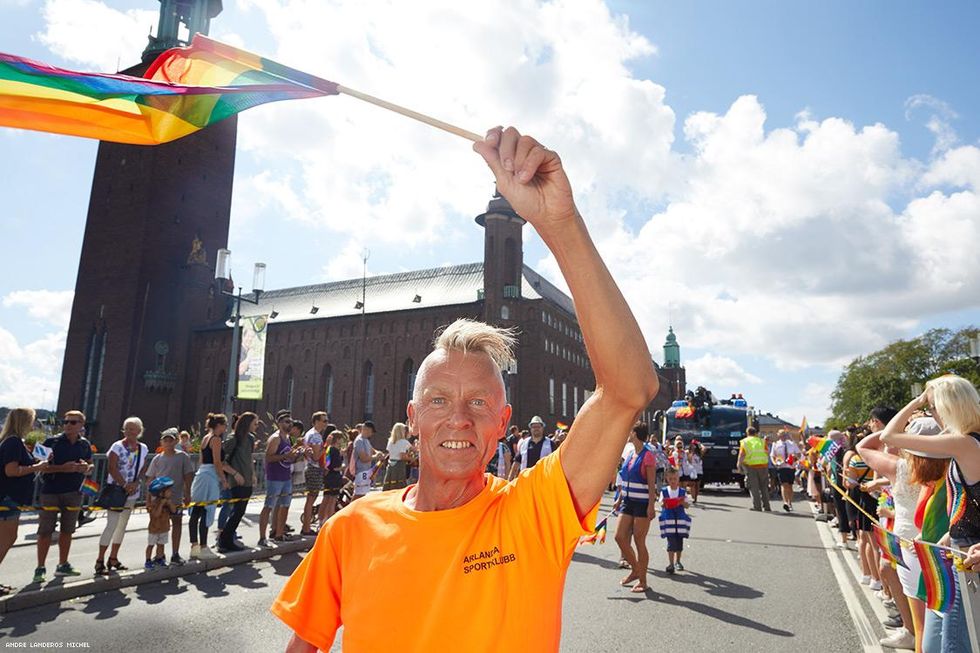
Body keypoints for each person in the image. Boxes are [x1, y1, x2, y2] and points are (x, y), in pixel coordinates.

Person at [271, 126, 659, 652]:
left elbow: (629, 389)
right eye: (439, 401)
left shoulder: (531, 515)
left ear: (502, 422)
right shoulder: (350, 529)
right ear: (412, 418)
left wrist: (560, 223)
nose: (458, 418)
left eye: (478, 402)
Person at [881, 375, 980, 653]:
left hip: (968, 557)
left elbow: (889, 436)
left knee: (954, 646)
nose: (930, 413)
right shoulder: (966, 441)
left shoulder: (963, 443)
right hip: (959, 548)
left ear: (949, 407)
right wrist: (951, 532)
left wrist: (917, 401)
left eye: (932, 407)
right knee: (936, 642)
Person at [34, 409, 93, 581]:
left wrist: (86, 468)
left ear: (81, 425)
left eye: (72, 422)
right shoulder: (50, 442)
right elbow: (38, 466)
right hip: (50, 491)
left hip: (74, 492)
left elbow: (90, 465)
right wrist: (62, 468)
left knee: (68, 530)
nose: (67, 425)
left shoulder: (85, 444)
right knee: (45, 531)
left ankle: (63, 564)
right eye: (65, 422)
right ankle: (40, 568)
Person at [1, 408, 48, 593]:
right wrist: (37, 466)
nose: (33, 425)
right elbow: (11, 471)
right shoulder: (14, 442)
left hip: (8, 497)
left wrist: (34, 462)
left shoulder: (9, 440)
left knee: (6, 539)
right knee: (6, 539)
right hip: (9, 498)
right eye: (32, 421)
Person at [95, 416, 149, 575]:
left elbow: (143, 467)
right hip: (117, 491)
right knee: (111, 525)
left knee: (122, 526)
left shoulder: (143, 448)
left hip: (132, 492)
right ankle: (99, 560)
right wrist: (125, 485)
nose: (129, 432)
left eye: (132, 429)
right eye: (127, 429)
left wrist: (136, 482)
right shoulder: (117, 446)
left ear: (139, 431)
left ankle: (113, 557)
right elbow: (112, 468)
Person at [613, 421, 657, 592]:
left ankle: (643, 581)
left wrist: (651, 506)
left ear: (635, 434)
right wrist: (619, 499)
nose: (628, 434)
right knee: (619, 537)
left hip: (642, 503)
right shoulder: (631, 453)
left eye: (630, 431)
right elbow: (625, 479)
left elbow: (652, 484)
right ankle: (636, 570)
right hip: (627, 501)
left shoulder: (648, 455)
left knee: (639, 541)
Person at [146, 427, 195, 564]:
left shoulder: (182, 457)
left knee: (177, 523)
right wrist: (148, 499)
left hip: (176, 497)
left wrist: (187, 493)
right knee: (160, 525)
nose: (168, 443)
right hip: (159, 500)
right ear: (161, 442)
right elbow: (150, 480)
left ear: (176, 441)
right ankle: (159, 554)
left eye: (170, 440)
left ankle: (175, 553)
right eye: (165, 440)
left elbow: (188, 476)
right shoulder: (157, 459)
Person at [188, 413, 229, 560]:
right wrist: (223, 479)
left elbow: (201, 460)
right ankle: (204, 547)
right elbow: (217, 462)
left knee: (196, 511)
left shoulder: (205, 438)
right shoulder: (216, 439)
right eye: (224, 425)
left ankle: (194, 546)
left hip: (201, 474)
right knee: (207, 510)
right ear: (219, 425)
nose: (225, 428)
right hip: (210, 476)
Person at [218, 412, 258, 552]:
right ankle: (224, 539)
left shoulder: (251, 438)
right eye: (254, 423)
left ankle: (227, 538)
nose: (256, 426)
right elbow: (221, 461)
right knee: (236, 511)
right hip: (236, 480)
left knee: (240, 511)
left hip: (247, 479)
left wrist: (253, 474)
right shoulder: (233, 439)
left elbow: (249, 457)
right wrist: (234, 474)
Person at [260, 411, 301, 546]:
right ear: (279, 423)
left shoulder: (288, 438)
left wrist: (297, 454)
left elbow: (289, 457)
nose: (290, 424)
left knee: (285, 505)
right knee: (269, 506)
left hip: (286, 477)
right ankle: (262, 537)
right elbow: (268, 457)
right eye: (287, 422)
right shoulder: (275, 438)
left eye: (291, 422)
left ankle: (279, 534)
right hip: (275, 477)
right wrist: (286, 456)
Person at [659, 467, 692, 574]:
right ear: (667, 479)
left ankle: (678, 561)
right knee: (671, 542)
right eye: (670, 479)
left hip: (680, 522)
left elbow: (687, 506)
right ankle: (671, 564)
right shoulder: (664, 491)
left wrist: (682, 502)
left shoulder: (682, 492)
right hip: (669, 522)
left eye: (675, 479)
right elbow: (661, 503)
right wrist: (665, 503)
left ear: (678, 479)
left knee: (679, 542)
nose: (673, 481)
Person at [300, 413, 328, 536]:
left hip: (310, 467)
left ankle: (306, 526)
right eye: (324, 421)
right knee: (311, 499)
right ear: (316, 421)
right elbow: (316, 456)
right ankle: (306, 528)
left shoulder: (309, 433)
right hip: (314, 468)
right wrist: (326, 445)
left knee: (310, 498)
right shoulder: (315, 436)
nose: (326, 423)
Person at [507, 415, 554, 480]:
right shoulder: (524, 443)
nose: (536, 429)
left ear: (542, 428)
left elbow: (556, 463)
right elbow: (517, 462)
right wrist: (510, 479)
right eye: (534, 427)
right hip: (526, 480)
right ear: (531, 429)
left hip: (543, 480)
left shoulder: (550, 444)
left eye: (538, 426)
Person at [144, 476, 176, 570]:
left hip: (164, 528)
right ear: (161, 493)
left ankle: (160, 558)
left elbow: (174, 511)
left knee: (161, 544)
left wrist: (169, 504)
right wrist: (161, 504)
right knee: (151, 545)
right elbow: (156, 515)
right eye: (168, 491)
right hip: (154, 528)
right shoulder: (154, 503)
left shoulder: (168, 502)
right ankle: (148, 560)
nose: (171, 492)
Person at [737, 427, 771, 512]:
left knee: (754, 487)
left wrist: (739, 465)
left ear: (747, 433)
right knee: (764, 487)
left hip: (751, 466)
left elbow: (742, 455)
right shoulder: (762, 441)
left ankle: (757, 506)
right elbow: (767, 452)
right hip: (763, 466)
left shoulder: (745, 442)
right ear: (755, 433)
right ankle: (767, 506)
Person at [318, 430, 346, 526]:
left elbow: (327, 464)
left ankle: (321, 519)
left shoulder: (329, 449)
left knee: (326, 498)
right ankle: (329, 520)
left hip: (328, 476)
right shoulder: (335, 450)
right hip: (334, 476)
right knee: (332, 500)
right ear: (337, 439)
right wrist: (342, 467)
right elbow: (334, 466)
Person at [349, 421, 383, 500]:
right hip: (361, 472)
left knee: (363, 495)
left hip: (365, 471)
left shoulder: (365, 440)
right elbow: (363, 458)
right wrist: (375, 457)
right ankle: (351, 507)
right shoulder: (359, 441)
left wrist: (378, 452)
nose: (372, 434)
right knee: (359, 495)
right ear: (367, 429)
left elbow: (371, 449)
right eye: (371, 432)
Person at [770, 429, 802, 512]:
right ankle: (785, 502)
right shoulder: (776, 444)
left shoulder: (792, 444)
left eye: (784, 435)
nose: (783, 436)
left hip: (791, 467)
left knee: (790, 486)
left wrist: (795, 457)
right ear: (778, 435)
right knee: (784, 484)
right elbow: (772, 455)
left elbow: (799, 454)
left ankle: (790, 502)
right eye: (781, 435)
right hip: (781, 467)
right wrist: (775, 463)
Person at [383, 423, 412, 491]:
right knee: (399, 485)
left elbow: (390, 453)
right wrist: (412, 458)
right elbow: (402, 456)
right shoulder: (404, 442)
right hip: (399, 465)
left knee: (389, 485)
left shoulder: (390, 441)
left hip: (390, 465)